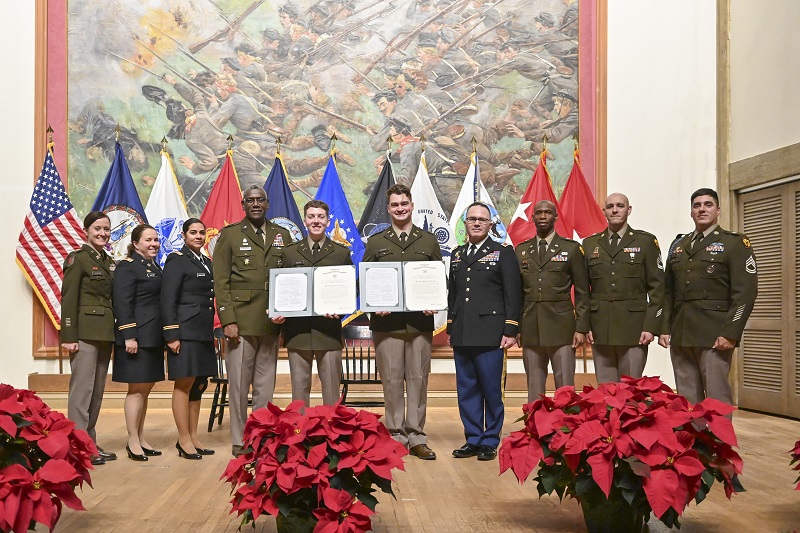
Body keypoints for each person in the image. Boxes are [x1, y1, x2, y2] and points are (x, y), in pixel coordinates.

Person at [362, 183, 442, 460]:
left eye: (404, 204)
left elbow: (438, 279)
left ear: (411, 205)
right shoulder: (376, 242)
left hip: (419, 324)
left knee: (418, 380)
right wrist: (374, 305)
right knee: (393, 380)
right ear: (388, 209)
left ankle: (417, 436)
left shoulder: (428, 241)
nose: (400, 209)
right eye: (394, 205)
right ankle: (395, 435)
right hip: (387, 325)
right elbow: (365, 279)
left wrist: (434, 301)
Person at [658, 188, 758, 406]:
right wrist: (664, 327)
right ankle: (694, 440)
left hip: (714, 333)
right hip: (681, 331)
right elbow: (668, 292)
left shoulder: (734, 243)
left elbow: (745, 293)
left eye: (708, 204)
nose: (702, 209)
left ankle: (717, 441)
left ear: (718, 210)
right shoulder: (678, 246)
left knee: (716, 395)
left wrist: (731, 332)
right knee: (686, 397)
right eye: (697, 205)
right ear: (691, 212)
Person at [213, 186, 291, 456]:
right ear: (243, 204)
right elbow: (221, 281)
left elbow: (290, 278)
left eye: (260, 200)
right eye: (251, 201)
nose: (255, 204)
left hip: (271, 322)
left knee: (264, 386)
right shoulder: (231, 235)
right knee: (238, 385)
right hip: (241, 322)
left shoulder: (283, 235)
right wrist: (228, 319)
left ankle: (259, 436)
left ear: (268, 204)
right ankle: (238, 439)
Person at [447, 203, 521, 461]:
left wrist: (511, 329)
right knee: (466, 389)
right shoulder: (457, 254)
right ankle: (473, 438)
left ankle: (490, 439)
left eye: (482, 220)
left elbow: (513, 294)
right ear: (465, 224)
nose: (477, 223)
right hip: (463, 332)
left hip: (491, 334)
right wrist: (450, 325)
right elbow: (453, 294)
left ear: (491, 225)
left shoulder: (502, 253)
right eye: (472, 219)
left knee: (491, 389)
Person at [272, 200, 353, 406]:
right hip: (297, 332)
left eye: (320, 217)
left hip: (328, 332)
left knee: (331, 391)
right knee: (299, 392)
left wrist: (340, 311)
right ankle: (299, 434)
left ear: (327, 221)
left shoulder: (341, 253)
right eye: (311, 217)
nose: (316, 221)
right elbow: (281, 287)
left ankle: (332, 435)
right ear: (305, 220)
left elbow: (351, 289)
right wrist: (279, 309)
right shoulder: (289, 252)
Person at [583, 193, 665, 382]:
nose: (615, 210)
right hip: (600, 327)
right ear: (604, 212)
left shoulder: (645, 242)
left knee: (630, 392)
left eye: (620, 206)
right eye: (610, 206)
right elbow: (583, 290)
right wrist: (585, 324)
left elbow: (657, 288)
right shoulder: (590, 244)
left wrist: (651, 327)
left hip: (634, 329)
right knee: (605, 394)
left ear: (629, 210)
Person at [515, 200, 589, 401]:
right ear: (533, 218)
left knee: (565, 388)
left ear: (555, 217)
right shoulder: (521, 251)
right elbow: (518, 294)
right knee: (534, 388)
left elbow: (582, 291)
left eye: (547, 213)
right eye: (538, 213)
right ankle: (534, 430)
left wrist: (581, 327)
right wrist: (518, 328)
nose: (542, 216)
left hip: (562, 327)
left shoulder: (571, 249)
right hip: (531, 326)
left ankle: (564, 431)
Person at [61, 211, 117, 466]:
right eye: (97, 228)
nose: (102, 233)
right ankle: (78, 446)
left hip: (104, 332)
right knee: (81, 392)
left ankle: (89, 442)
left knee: (96, 393)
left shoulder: (107, 260)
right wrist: (69, 335)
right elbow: (69, 299)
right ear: (86, 230)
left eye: (106, 229)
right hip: (83, 333)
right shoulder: (78, 259)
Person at [161, 218, 217, 460]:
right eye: (193, 232)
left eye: (201, 232)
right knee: (184, 384)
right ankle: (183, 439)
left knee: (199, 386)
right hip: (184, 332)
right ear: (184, 236)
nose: (198, 236)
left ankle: (193, 436)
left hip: (203, 331)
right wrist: (171, 334)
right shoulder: (177, 260)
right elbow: (167, 299)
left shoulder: (205, 261)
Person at [112, 224, 165, 462]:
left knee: (145, 389)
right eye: (148, 240)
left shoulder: (153, 266)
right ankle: (132, 441)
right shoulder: (127, 266)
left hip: (153, 335)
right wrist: (129, 335)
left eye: (156, 239)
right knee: (136, 390)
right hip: (136, 337)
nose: (154, 244)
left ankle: (141, 438)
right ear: (135, 244)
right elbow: (122, 302)